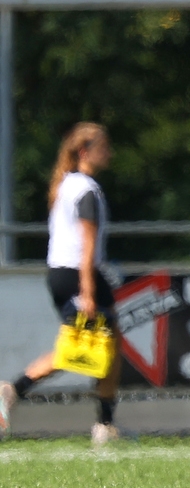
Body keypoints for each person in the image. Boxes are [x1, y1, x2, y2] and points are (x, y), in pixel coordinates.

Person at [0, 122, 124, 447]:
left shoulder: (67, 184)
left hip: (61, 273)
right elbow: (87, 244)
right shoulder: (85, 190)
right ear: (85, 151)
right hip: (79, 274)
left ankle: (105, 423)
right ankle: (14, 388)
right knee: (83, 347)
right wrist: (88, 291)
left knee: (101, 344)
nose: (109, 152)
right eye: (103, 146)